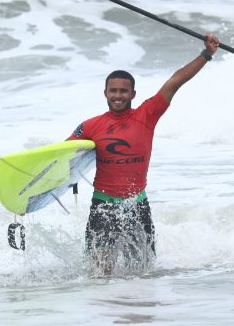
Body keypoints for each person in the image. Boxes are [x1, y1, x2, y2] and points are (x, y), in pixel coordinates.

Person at [69, 33, 220, 274]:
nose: (118, 96)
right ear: (105, 93)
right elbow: (62, 159)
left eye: (123, 91)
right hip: (103, 206)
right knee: (99, 274)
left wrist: (206, 55)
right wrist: (30, 194)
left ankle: (136, 308)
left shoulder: (146, 115)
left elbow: (175, 81)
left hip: (136, 204)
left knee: (143, 272)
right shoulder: (89, 126)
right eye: (113, 91)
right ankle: (105, 309)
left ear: (133, 94)